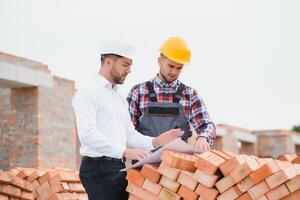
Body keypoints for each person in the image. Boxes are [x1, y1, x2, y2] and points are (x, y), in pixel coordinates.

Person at [72, 40, 183, 200]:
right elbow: (87, 135)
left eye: (130, 65)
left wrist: (156, 141)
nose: (129, 70)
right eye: (125, 65)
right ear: (108, 61)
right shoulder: (88, 93)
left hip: (117, 167)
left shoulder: (119, 99)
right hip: (97, 169)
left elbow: (129, 135)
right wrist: (124, 151)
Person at [127, 36, 216, 152]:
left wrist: (203, 137)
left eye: (179, 68)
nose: (174, 72)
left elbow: (208, 125)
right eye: (171, 66)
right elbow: (126, 131)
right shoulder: (138, 92)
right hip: (143, 165)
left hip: (176, 165)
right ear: (159, 61)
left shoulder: (190, 94)